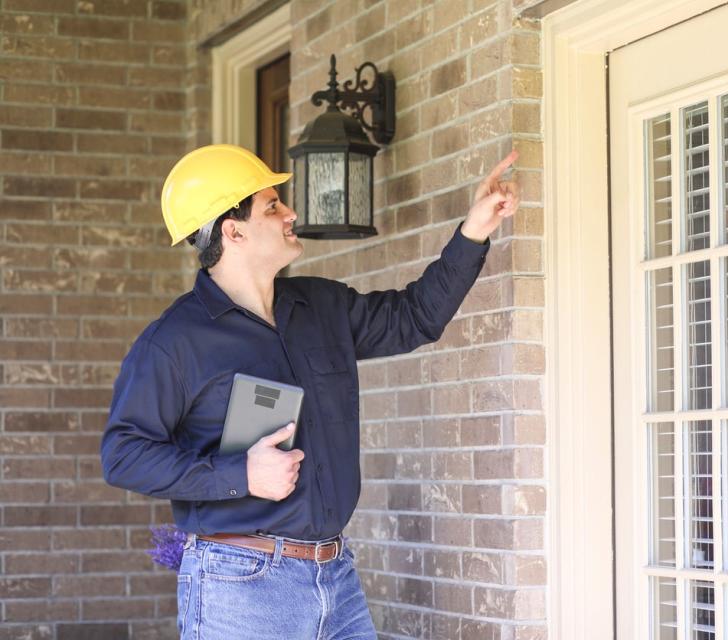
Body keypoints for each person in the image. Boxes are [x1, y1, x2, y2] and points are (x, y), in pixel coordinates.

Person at [100, 143, 520, 639]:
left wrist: (473, 231)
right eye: (272, 205)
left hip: (335, 577)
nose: (290, 213)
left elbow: (415, 318)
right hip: (239, 586)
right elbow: (123, 455)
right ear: (232, 231)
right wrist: (240, 474)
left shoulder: (322, 306)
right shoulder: (174, 342)